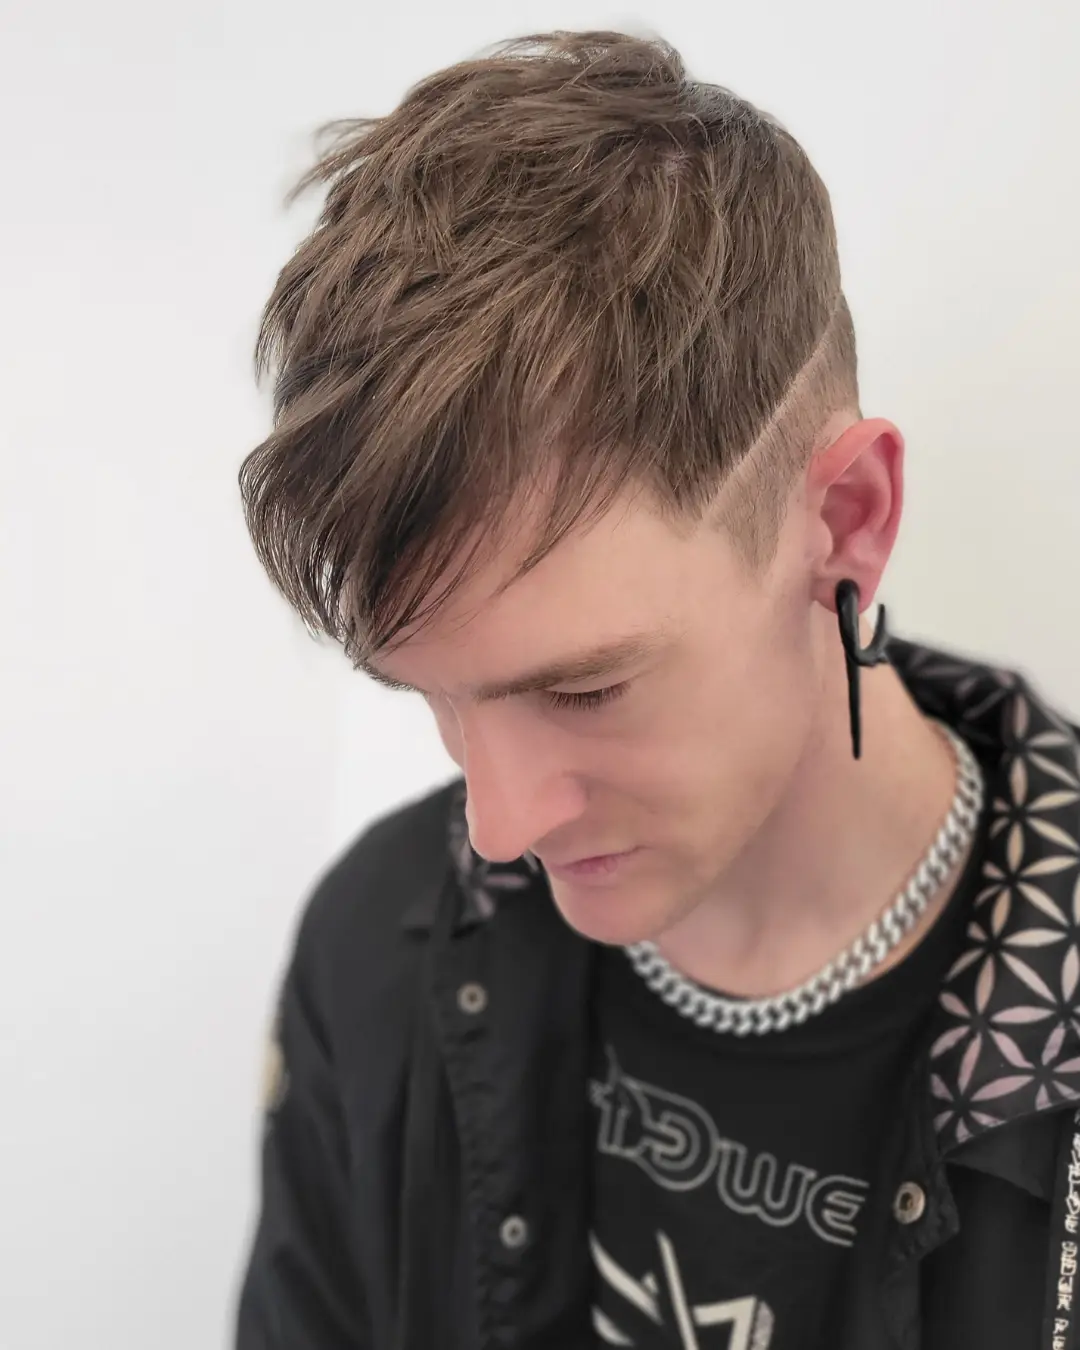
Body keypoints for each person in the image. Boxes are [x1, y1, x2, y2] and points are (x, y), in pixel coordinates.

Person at [233, 29, 1080, 1350]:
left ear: (845, 522)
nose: (498, 825)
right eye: (434, 699)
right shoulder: (376, 945)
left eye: (585, 691)